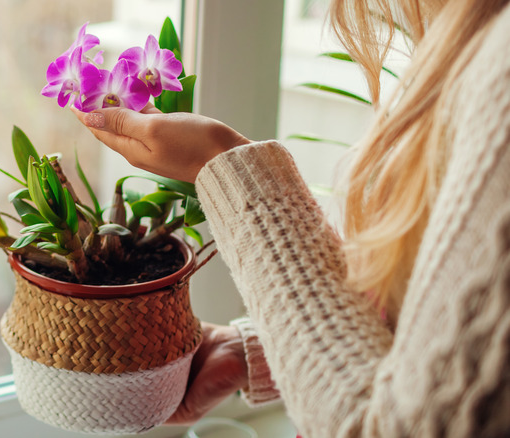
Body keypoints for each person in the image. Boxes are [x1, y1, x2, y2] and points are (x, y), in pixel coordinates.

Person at [74, 0, 510, 436]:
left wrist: (224, 164)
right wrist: (262, 350)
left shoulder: (500, 70)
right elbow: (448, 330)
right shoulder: (477, 38)